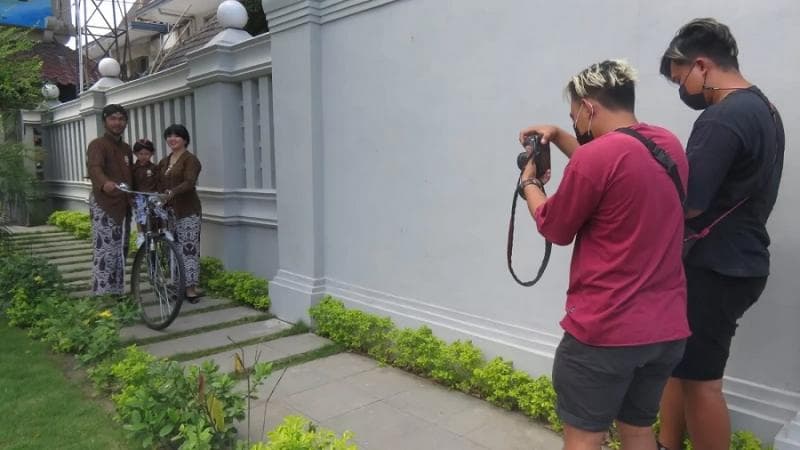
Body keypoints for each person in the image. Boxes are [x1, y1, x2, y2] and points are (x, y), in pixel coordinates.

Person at [517, 60, 690, 450]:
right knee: (639, 430)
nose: (575, 121)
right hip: (665, 329)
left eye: (573, 114)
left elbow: (554, 226)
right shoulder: (668, 144)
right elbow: (612, 165)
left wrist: (530, 183)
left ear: (588, 108)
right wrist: (561, 135)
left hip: (605, 333)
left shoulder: (596, 158)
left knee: (585, 436)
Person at [657, 18, 785, 450]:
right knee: (680, 367)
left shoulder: (721, 118)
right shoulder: (764, 108)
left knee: (702, 383)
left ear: (702, 66)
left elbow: (690, 202)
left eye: (681, 79)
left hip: (714, 268)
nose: (682, 89)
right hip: (739, 261)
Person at [86, 103, 133, 296]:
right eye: (113, 118)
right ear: (105, 121)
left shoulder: (126, 148)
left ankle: (117, 291)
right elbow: (95, 167)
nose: (117, 122)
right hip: (105, 203)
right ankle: (102, 294)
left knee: (121, 249)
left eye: (121, 119)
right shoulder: (97, 144)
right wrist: (105, 183)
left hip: (123, 205)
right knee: (105, 251)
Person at [157, 124, 203, 302]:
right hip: (168, 212)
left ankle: (190, 289)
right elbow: (157, 181)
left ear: (185, 139)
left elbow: (189, 182)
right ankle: (177, 285)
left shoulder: (190, 160)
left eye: (176, 136)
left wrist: (171, 193)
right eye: (169, 136)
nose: (172, 139)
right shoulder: (165, 161)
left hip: (187, 211)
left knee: (189, 249)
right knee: (173, 250)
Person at [132, 139, 159, 248]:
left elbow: (159, 181)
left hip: (152, 195)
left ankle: (160, 233)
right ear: (135, 154)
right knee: (140, 216)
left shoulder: (154, 168)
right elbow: (131, 183)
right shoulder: (133, 169)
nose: (144, 156)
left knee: (157, 214)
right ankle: (140, 235)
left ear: (152, 154)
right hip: (139, 196)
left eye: (147, 154)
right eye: (141, 154)